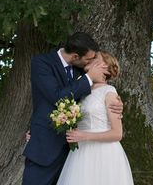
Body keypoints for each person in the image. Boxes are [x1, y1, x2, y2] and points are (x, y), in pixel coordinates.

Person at [22, 32, 122, 185]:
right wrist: (89, 78)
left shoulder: (82, 68)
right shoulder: (42, 63)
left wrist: (117, 105)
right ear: (76, 56)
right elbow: (56, 97)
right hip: (44, 147)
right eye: (90, 59)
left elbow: (98, 96)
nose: (93, 62)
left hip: (74, 153)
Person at [56, 51, 134, 185]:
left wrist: (84, 136)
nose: (89, 59)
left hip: (104, 153)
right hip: (80, 153)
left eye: (95, 58)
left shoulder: (109, 92)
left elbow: (117, 133)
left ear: (105, 66)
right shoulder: (82, 90)